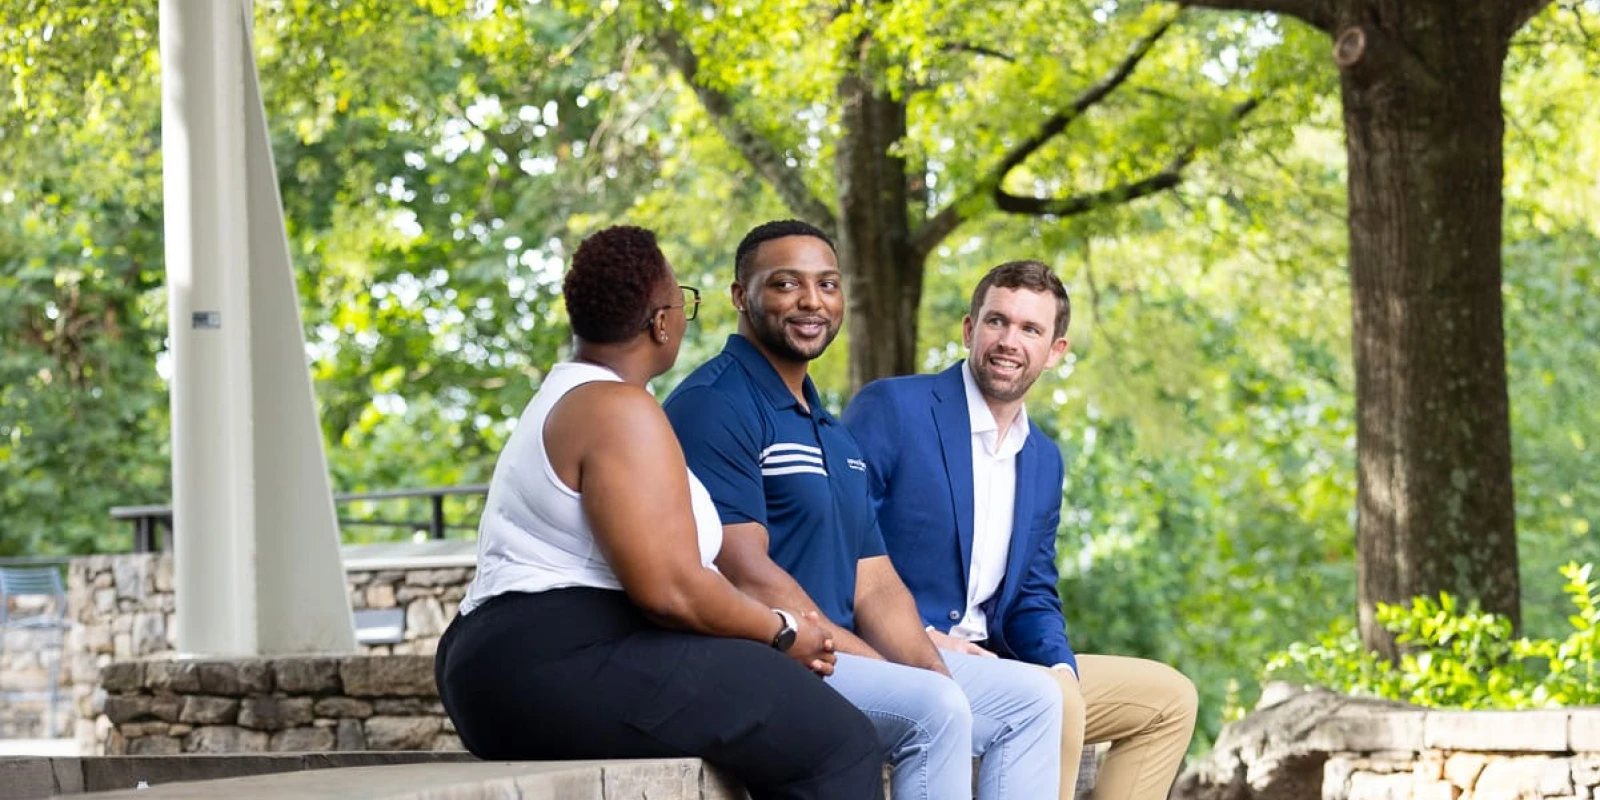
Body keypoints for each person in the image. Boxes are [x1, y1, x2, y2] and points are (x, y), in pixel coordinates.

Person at [433, 225, 885, 800]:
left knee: (783, 713)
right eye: (683, 303)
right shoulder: (617, 410)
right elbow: (671, 591)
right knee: (838, 743)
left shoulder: (576, 395)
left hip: (512, 658)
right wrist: (783, 631)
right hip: (554, 659)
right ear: (661, 323)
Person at [663, 220, 1062, 800]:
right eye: (785, 284)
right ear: (740, 296)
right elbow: (745, 574)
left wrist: (928, 668)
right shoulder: (714, 403)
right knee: (936, 709)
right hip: (767, 653)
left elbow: (875, 583)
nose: (811, 301)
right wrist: (889, 670)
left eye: (827, 285)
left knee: (1035, 699)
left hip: (841, 651)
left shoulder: (829, 429)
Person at [842, 260, 1199, 800]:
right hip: (900, 653)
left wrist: (1060, 666)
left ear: (1055, 351)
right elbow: (841, 545)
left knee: (1168, 699)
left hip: (994, 661)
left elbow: (1032, 593)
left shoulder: (1042, 458)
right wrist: (923, 636)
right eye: (997, 321)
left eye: (1031, 329)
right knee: (1049, 699)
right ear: (970, 329)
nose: (1010, 341)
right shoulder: (894, 409)